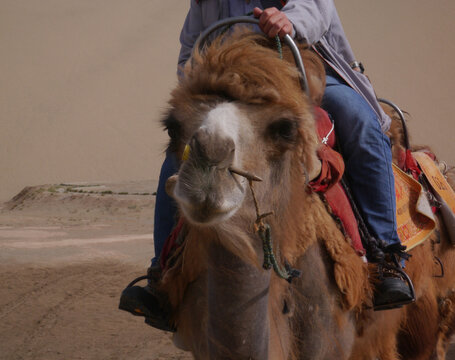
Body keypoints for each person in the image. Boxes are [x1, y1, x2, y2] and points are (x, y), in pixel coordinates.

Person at [120, 0, 414, 329]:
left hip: (310, 75)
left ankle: (387, 255)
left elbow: (317, 12)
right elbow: (192, 44)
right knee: (180, 147)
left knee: (360, 122)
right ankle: (162, 274)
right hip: (232, 85)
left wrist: (289, 20)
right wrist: (199, 82)